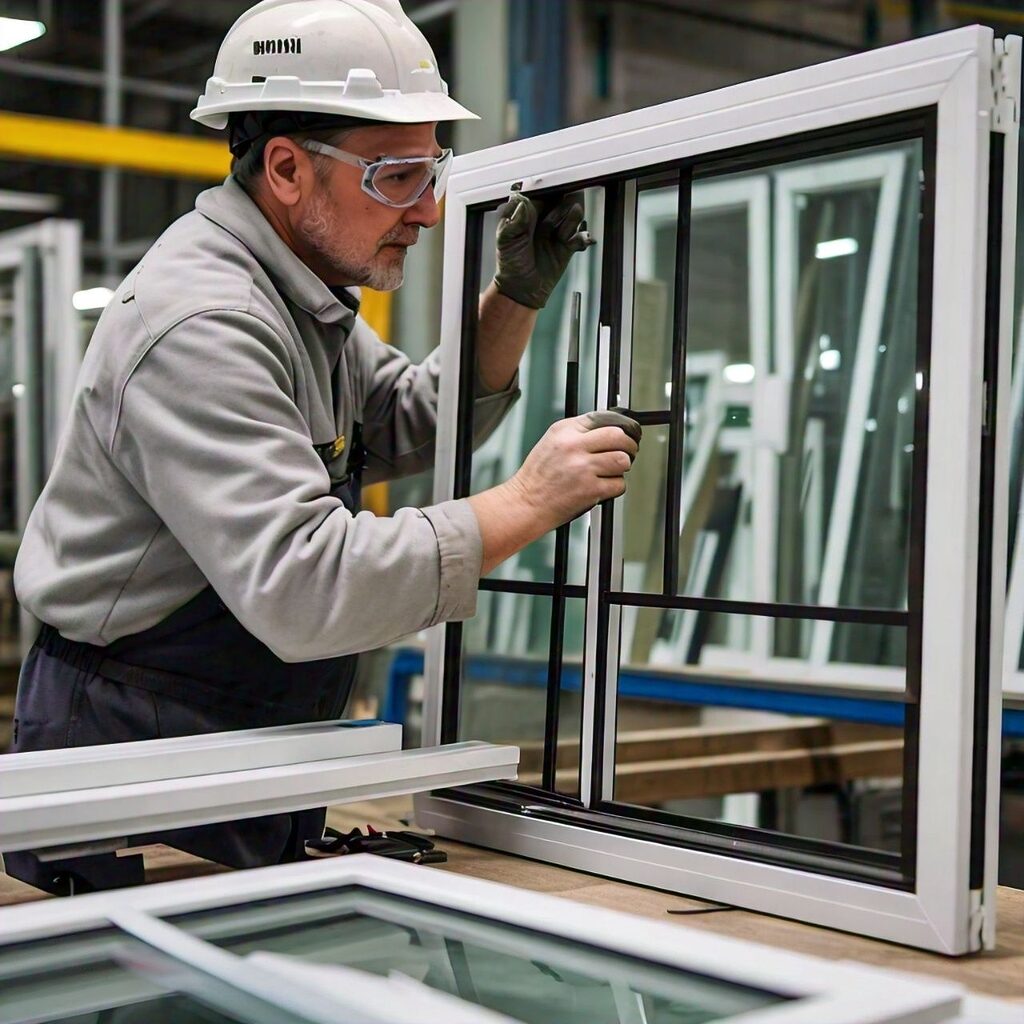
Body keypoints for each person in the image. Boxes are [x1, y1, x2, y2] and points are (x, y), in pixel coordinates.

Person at [5, 0, 641, 895]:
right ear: (288, 168)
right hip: (130, 747)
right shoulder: (205, 322)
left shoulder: (302, 292)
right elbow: (307, 586)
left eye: (435, 170)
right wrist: (527, 503)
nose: (428, 210)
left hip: (233, 721)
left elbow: (406, 419)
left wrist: (516, 296)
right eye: (397, 177)